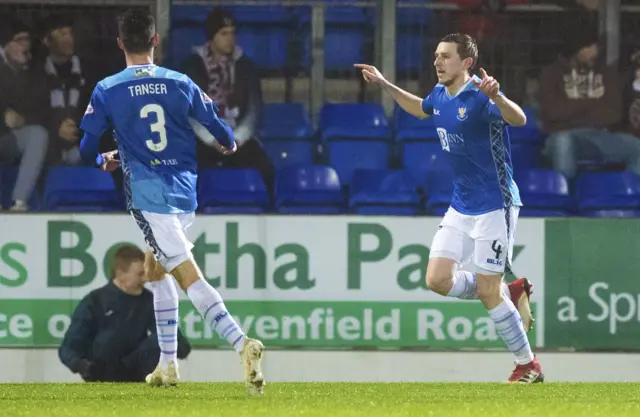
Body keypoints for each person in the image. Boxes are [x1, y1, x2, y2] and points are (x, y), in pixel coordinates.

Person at [77, 9, 266, 394]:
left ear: (120, 44)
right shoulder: (179, 81)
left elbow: (85, 146)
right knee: (155, 271)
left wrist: (102, 159)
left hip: (150, 195)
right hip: (184, 191)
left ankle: (241, 343)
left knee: (186, 275)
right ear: (155, 41)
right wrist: (229, 143)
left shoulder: (108, 88)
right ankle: (167, 365)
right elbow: (218, 126)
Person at [355, 33, 544, 383]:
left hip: (495, 204)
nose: (437, 62)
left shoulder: (480, 96)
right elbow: (419, 108)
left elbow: (519, 120)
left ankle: (527, 364)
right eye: (436, 56)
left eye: (445, 56)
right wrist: (384, 84)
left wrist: (498, 95)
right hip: (461, 204)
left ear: (466, 63)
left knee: (487, 292)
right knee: (437, 280)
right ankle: (508, 290)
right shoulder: (441, 95)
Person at [58, 245, 192, 382]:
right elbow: (68, 349)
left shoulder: (150, 302)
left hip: (138, 373)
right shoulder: (95, 301)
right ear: (120, 273)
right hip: (102, 374)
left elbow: (177, 341)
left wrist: (177, 348)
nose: (146, 279)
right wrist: (84, 367)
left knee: (158, 340)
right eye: (140, 274)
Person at [180, 7, 274, 192]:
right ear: (212, 36)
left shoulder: (246, 67)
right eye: (224, 34)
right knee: (184, 170)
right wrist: (212, 140)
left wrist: (237, 139)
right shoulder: (192, 66)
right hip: (202, 140)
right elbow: (189, 111)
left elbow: (254, 111)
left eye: (232, 33)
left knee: (267, 171)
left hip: (238, 139)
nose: (230, 38)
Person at [539, 33, 640, 179]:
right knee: (563, 142)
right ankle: (565, 196)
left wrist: (571, 110)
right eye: (589, 47)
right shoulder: (551, 74)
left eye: (596, 47)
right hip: (561, 134)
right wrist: (593, 104)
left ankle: (628, 196)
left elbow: (614, 114)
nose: (595, 52)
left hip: (600, 135)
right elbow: (552, 112)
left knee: (637, 147)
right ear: (575, 49)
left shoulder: (606, 73)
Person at [0, 17, 49, 211]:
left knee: (38, 134)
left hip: (11, 140)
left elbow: (43, 110)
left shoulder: (34, 72)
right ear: (5, 46)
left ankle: (19, 202)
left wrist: (23, 119)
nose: (25, 45)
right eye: (19, 40)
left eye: (27, 40)